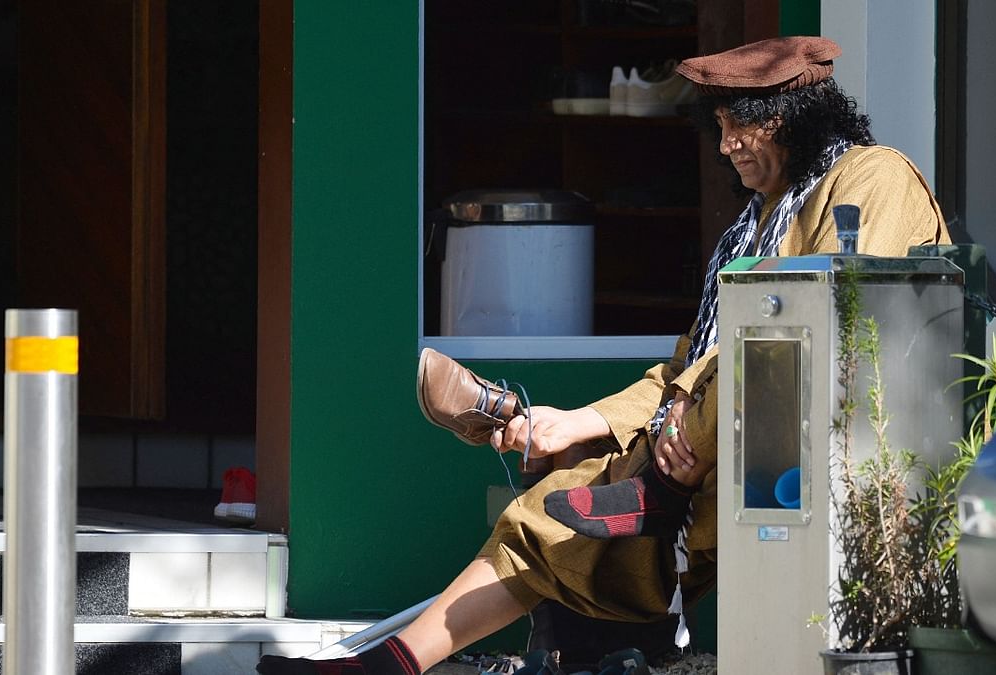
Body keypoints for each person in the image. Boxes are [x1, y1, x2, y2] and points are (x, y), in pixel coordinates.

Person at [257, 35, 950, 675]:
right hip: (724, 439)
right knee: (544, 513)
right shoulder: (759, 216)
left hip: (803, 452)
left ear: (797, 114)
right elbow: (693, 360)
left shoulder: (873, 176)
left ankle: (608, 473)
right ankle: (387, 661)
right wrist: (581, 420)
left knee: (574, 501)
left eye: (743, 124)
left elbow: (823, 325)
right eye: (720, 129)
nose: (727, 146)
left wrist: (687, 430)